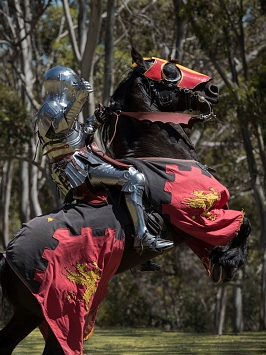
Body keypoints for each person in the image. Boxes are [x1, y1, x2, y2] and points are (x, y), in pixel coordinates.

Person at [36, 65, 173, 253]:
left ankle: (134, 246)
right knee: (133, 178)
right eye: (72, 85)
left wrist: (98, 119)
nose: (74, 89)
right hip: (73, 167)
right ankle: (142, 237)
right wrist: (80, 98)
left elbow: (79, 135)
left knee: (119, 193)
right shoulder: (49, 108)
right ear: (63, 85)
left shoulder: (62, 108)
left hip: (82, 160)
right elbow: (62, 127)